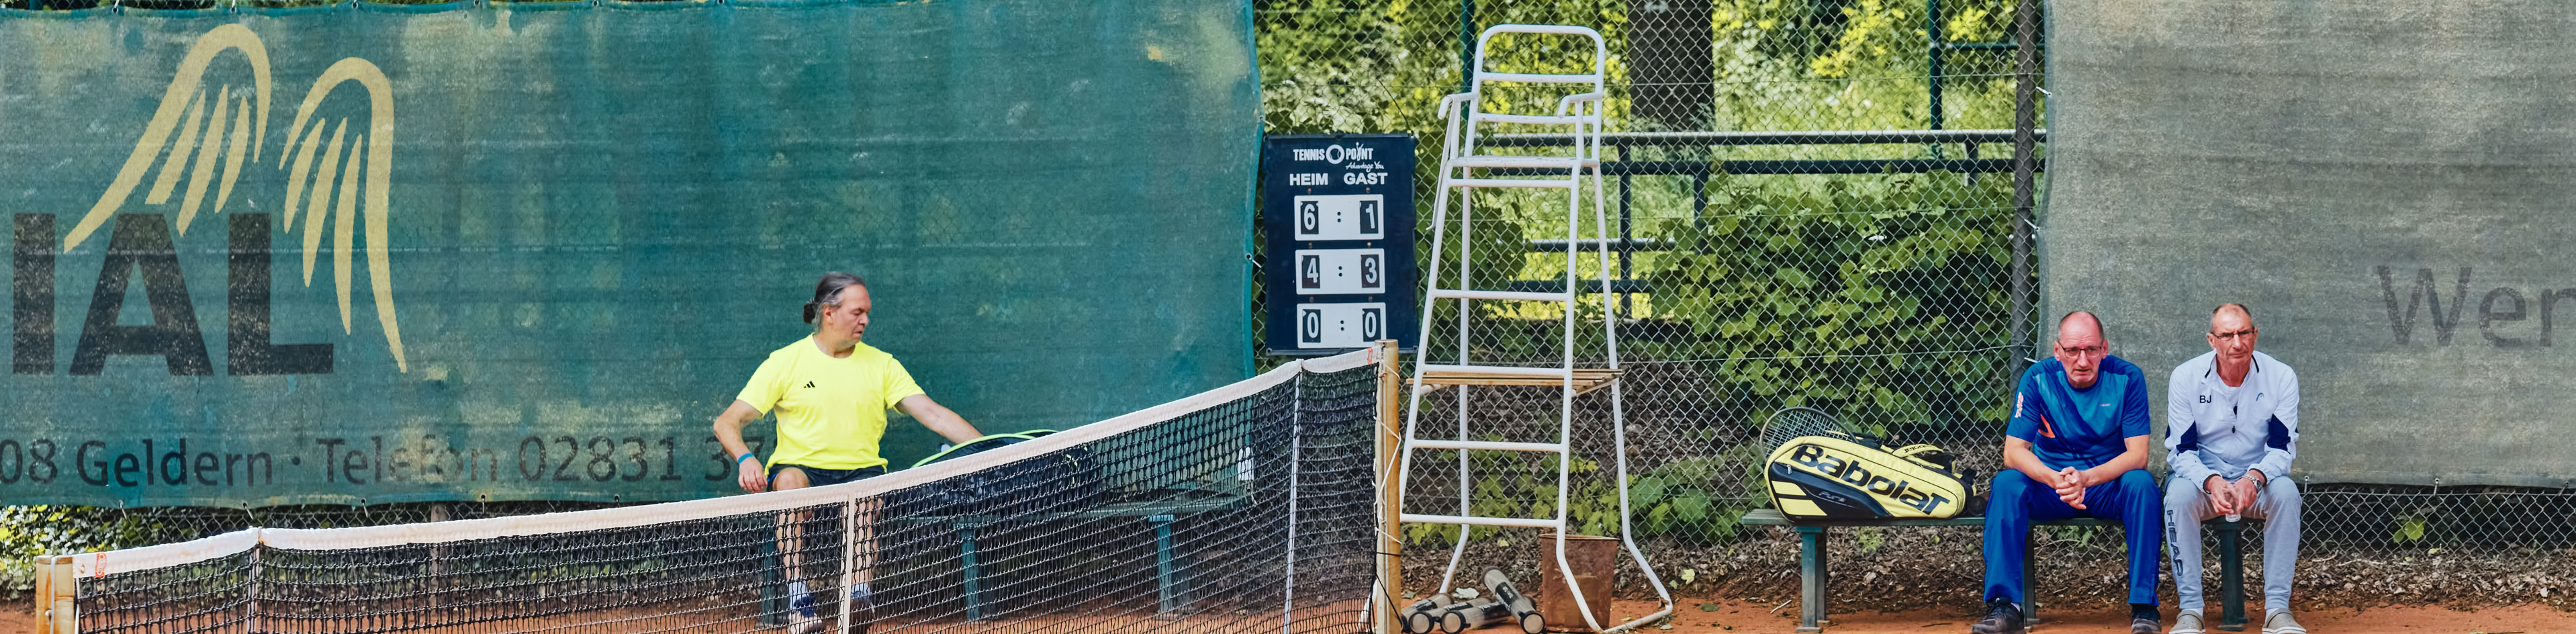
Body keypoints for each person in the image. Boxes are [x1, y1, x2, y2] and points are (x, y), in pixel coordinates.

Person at [712, 271, 984, 634]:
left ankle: (858, 598)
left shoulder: (882, 364)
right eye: (857, 312)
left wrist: (988, 451)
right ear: (828, 313)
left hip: (862, 472)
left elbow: (933, 414)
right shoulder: (784, 362)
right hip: (802, 469)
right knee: (790, 483)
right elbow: (727, 421)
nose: (866, 320)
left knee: (868, 498)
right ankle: (799, 602)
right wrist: (746, 458)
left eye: (867, 313)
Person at [1974, 311, 2164, 634]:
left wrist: (2088, 479)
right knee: (2007, 484)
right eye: (2073, 351)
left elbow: (2138, 456)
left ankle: (2144, 608)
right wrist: (2054, 478)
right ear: (2057, 351)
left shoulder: (2128, 378)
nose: (2082, 360)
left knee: (2142, 484)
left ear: (2104, 349)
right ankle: (2006, 607)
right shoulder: (2037, 378)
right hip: (2052, 486)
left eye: (2091, 350)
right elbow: (2013, 452)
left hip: (2106, 485)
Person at [2163, 304, 2304, 634]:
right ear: (2212, 340)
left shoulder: (2281, 376)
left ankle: (2278, 610)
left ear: (2255, 335)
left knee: (2286, 493)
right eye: (2227, 335)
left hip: (2258, 480)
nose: (2236, 343)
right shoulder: (2185, 377)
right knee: (2178, 497)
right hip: (2203, 481)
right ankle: (2190, 611)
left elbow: (2282, 448)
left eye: (2243, 333)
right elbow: (2181, 452)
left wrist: (2253, 479)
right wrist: (2211, 481)